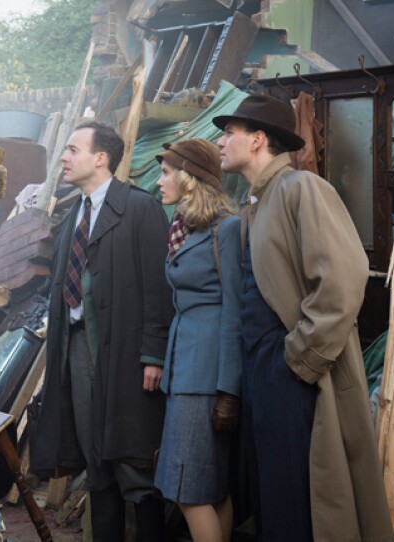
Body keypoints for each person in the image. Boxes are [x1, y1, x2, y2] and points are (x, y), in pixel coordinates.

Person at [212, 94, 393, 541]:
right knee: (274, 499)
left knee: (299, 503)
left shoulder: (300, 188)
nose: (220, 142)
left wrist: (299, 359)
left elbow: (343, 278)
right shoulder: (256, 203)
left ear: (256, 140)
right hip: (264, 372)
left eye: (228, 133)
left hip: (291, 370)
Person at [29, 121, 172, 541]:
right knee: (97, 462)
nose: (64, 157)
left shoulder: (140, 208)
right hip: (77, 349)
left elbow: (157, 288)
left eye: (73, 149)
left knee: (134, 460)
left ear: (101, 158)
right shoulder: (75, 212)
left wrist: (153, 354)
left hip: (128, 356)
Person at [153, 138, 243, 542]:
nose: (159, 181)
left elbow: (234, 312)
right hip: (184, 369)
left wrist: (228, 390)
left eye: (167, 172)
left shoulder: (226, 229)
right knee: (209, 488)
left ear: (189, 178)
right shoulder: (184, 229)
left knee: (188, 492)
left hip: (204, 377)